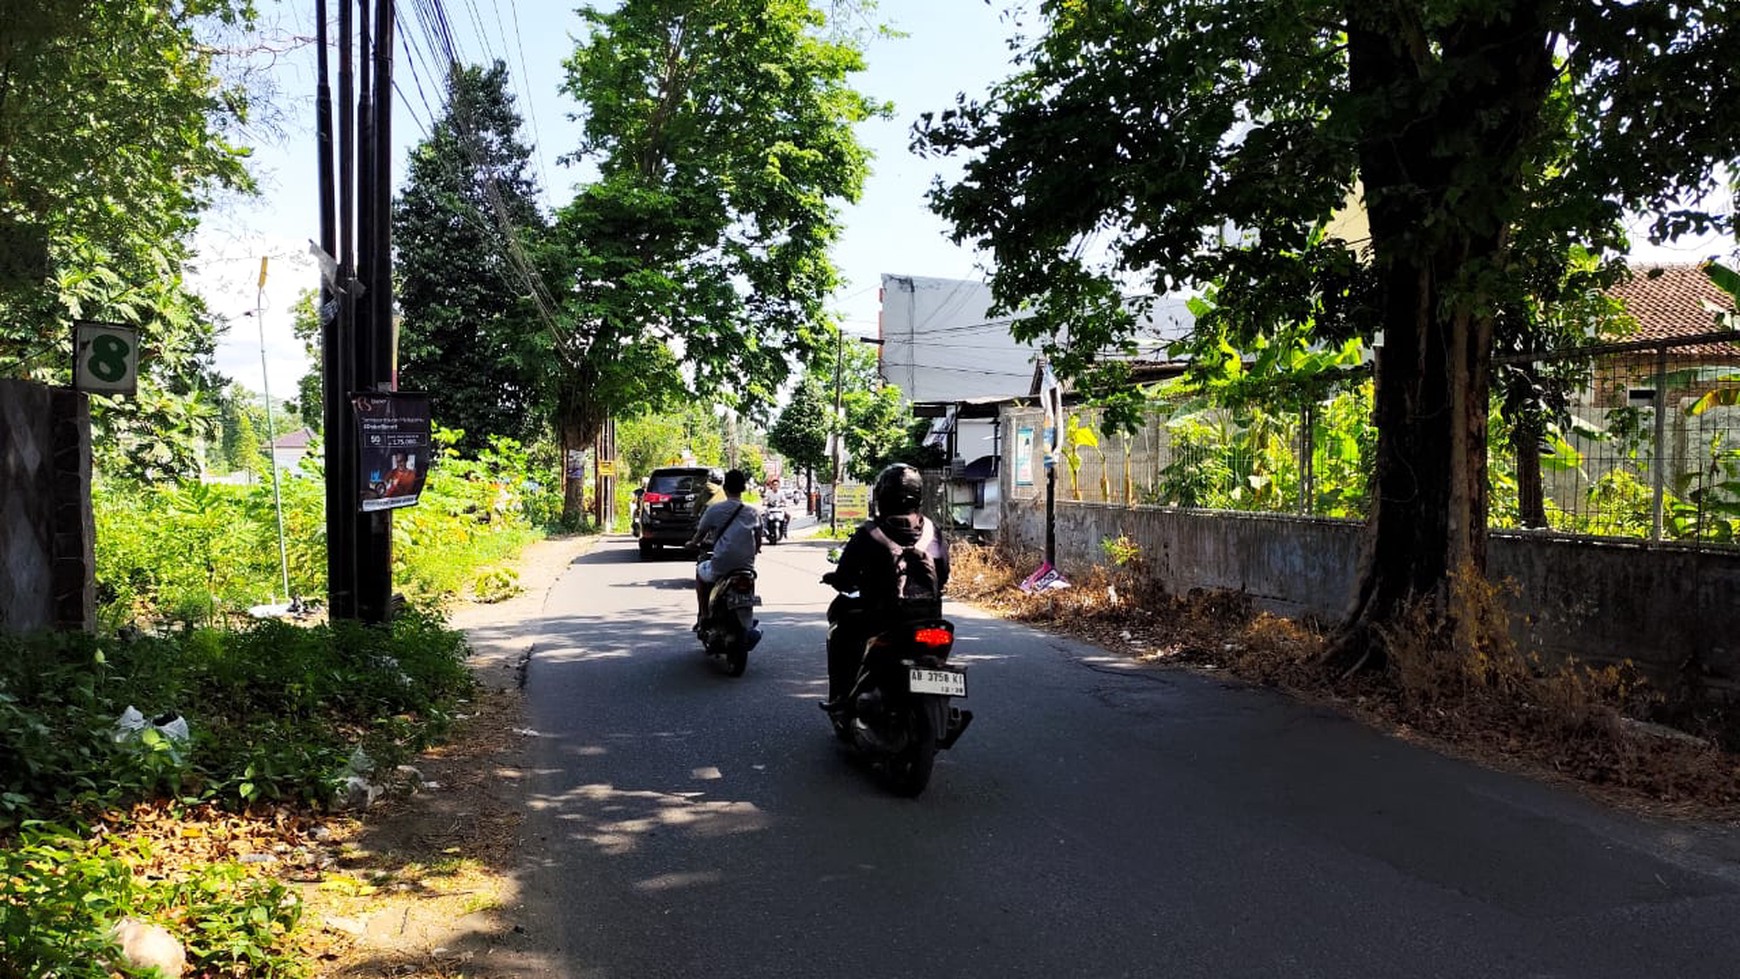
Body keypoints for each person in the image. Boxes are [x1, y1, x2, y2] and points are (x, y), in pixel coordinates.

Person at [820, 463, 950, 708]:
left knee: (840, 633)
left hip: (881, 618)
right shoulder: (933, 531)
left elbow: (845, 576)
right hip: (930, 618)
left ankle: (841, 696)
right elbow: (943, 574)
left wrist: (838, 580)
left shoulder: (870, 533)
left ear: (882, 496)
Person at [686, 468, 762, 631]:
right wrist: (754, 551)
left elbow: (700, 535)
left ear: (725, 488)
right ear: (743, 489)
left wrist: (692, 544)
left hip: (721, 564)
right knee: (749, 586)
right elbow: (758, 539)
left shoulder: (715, 510)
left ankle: (704, 615)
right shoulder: (753, 512)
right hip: (746, 566)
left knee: (700, 573)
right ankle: (747, 619)